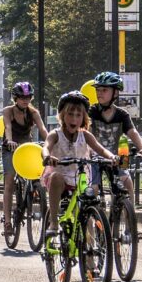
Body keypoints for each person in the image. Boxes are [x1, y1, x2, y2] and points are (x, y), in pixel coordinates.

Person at [41, 91, 116, 236]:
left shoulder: (85, 135)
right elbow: (46, 147)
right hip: (60, 179)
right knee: (56, 177)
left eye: (78, 115)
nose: (74, 118)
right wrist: (47, 156)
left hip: (80, 178)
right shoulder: (55, 134)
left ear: (83, 119)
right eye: (70, 114)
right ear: (62, 115)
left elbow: (101, 149)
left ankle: (90, 250)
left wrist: (112, 157)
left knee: (89, 201)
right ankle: (54, 222)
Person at [88, 72, 142, 202]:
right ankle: (93, 216)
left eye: (104, 90)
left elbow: (132, 131)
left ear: (115, 93)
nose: (99, 93)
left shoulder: (122, 114)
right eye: (98, 90)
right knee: (93, 188)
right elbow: (87, 131)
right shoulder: (92, 111)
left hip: (118, 155)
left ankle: (130, 213)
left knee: (126, 181)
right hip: (95, 155)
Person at [1, 82, 49, 238]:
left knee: (36, 175)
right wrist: (9, 141)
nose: (25, 100)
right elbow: (8, 127)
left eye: (28, 97)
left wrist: (52, 143)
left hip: (27, 147)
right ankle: (8, 222)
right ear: (15, 98)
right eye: (22, 97)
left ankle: (35, 195)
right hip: (11, 147)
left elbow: (42, 129)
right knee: (9, 182)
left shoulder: (33, 112)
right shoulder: (8, 111)